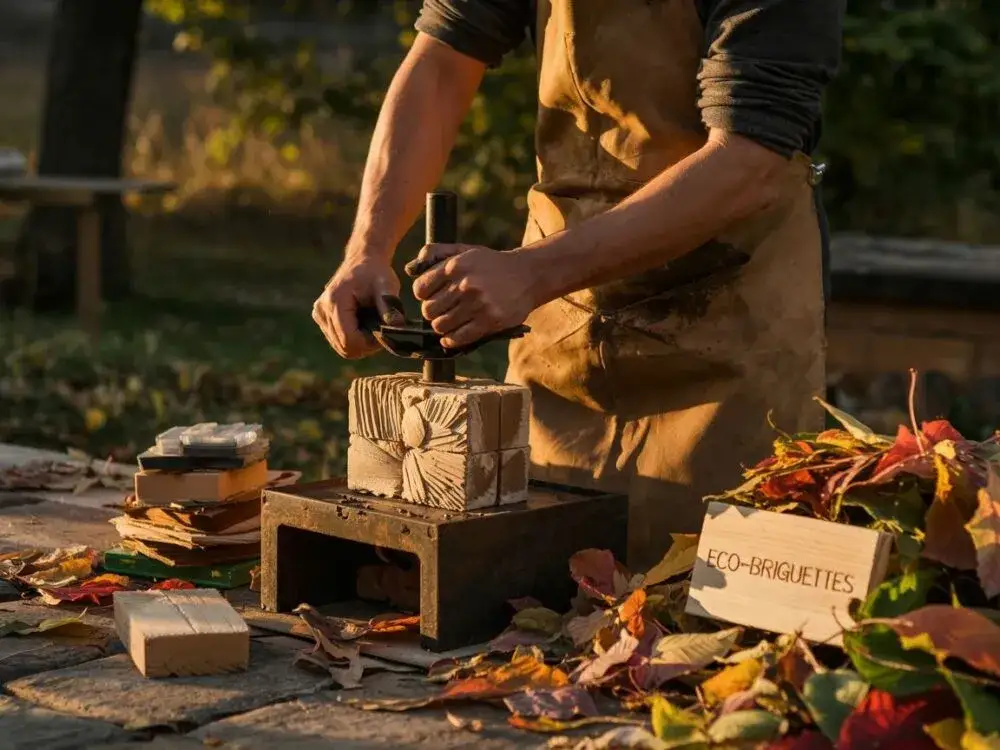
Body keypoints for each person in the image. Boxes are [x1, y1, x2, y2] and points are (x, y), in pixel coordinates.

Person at [313, 0, 845, 569]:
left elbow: (748, 162)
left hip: (726, 317)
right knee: (530, 582)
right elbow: (444, 59)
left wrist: (531, 271)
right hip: (561, 313)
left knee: (699, 603)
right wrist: (368, 248)